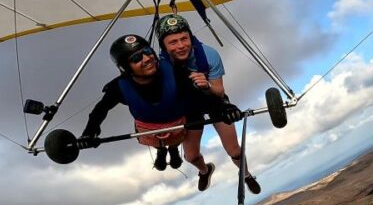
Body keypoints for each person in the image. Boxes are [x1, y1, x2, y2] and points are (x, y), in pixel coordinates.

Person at [156, 14, 261, 194]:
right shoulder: (162, 66)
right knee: (191, 156)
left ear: (190, 37)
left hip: (213, 100)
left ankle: (246, 174)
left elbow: (219, 91)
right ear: (164, 46)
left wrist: (207, 85)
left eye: (184, 39)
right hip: (189, 106)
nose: (181, 45)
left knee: (234, 150)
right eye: (173, 42)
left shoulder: (209, 54)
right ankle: (205, 170)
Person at [80, 34, 186, 171]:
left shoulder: (172, 70)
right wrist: (89, 132)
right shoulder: (119, 87)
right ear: (125, 67)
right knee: (157, 142)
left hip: (176, 123)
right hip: (149, 128)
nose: (147, 58)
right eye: (136, 58)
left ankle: (173, 150)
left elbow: (195, 93)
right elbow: (100, 110)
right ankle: (161, 151)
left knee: (175, 139)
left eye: (148, 51)